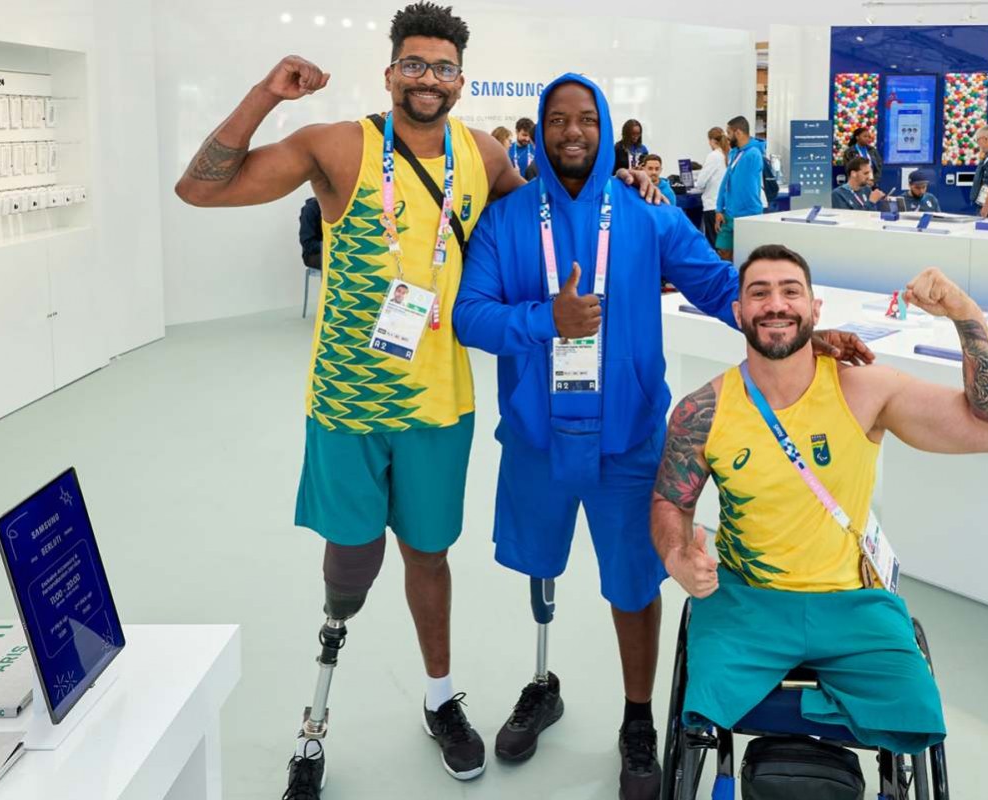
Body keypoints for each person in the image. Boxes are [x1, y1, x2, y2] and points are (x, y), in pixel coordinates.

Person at [172, 5, 658, 798]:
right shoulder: (338, 145)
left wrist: (627, 204)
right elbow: (200, 188)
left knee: (428, 560)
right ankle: (316, 714)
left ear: (461, 81)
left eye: (443, 68)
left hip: (439, 405)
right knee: (351, 567)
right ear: (390, 70)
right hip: (346, 405)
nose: (428, 80)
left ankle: (440, 699)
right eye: (415, 64)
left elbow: (550, 220)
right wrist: (268, 93)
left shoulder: (483, 155)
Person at [452, 75, 873, 800]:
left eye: (587, 119)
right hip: (536, 441)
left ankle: (638, 718)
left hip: (627, 443)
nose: (573, 132)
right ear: (541, 131)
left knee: (632, 586)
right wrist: (545, 319)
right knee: (540, 564)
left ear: (608, 127)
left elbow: (716, 287)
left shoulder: (648, 217)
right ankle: (542, 682)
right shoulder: (507, 220)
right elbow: (469, 317)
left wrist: (795, 331)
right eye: (558, 120)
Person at [651, 244, 988, 759]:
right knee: (699, 711)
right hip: (746, 601)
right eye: (758, 293)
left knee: (918, 712)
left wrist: (965, 314)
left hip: (853, 602)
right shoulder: (702, 410)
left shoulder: (863, 390)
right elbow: (670, 502)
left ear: (815, 308)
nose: (776, 304)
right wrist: (677, 558)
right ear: (738, 312)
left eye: (791, 291)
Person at [715, 115, 765, 261]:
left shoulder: (753, 154)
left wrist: (752, 216)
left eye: (729, 133)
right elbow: (726, 181)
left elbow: (747, 188)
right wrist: (719, 208)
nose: (727, 137)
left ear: (738, 132)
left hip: (748, 214)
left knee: (746, 257)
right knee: (723, 251)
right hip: (729, 213)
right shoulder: (733, 153)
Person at [688, 126, 728, 248]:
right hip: (725, 206)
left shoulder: (714, 156)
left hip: (712, 206)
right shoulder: (728, 155)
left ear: (711, 141)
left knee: (714, 244)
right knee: (724, 245)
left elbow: (700, 182)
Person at [299, 196, 323, 268]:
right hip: (313, 254)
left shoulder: (339, 207)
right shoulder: (310, 209)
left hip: (333, 251)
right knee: (339, 261)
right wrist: (327, 246)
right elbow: (307, 243)